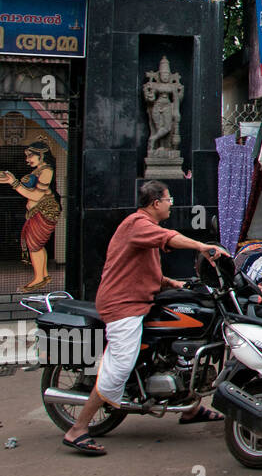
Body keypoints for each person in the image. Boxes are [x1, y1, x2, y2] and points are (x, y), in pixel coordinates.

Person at [60, 181, 231, 456]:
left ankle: (190, 407)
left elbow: (140, 267)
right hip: (123, 306)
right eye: (168, 199)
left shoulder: (143, 229)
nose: (171, 204)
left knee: (180, 343)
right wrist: (202, 246)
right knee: (120, 364)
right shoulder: (137, 224)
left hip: (140, 300)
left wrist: (170, 283)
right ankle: (78, 429)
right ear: (155, 203)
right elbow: (169, 238)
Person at [0, 141, 62, 291]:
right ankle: (43, 274)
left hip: (45, 212)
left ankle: (39, 278)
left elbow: (35, 196)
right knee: (35, 244)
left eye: (30, 156)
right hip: (35, 213)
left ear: (41, 155)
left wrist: (13, 182)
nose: (27, 159)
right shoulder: (37, 171)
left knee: (35, 244)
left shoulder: (47, 171)